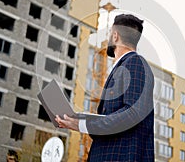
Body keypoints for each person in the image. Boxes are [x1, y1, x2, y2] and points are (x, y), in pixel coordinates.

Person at [55, 14, 154, 161]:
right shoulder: (125, 66)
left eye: (109, 33)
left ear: (115, 36)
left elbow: (132, 113)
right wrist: (78, 122)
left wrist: (84, 124)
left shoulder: (134, 62)